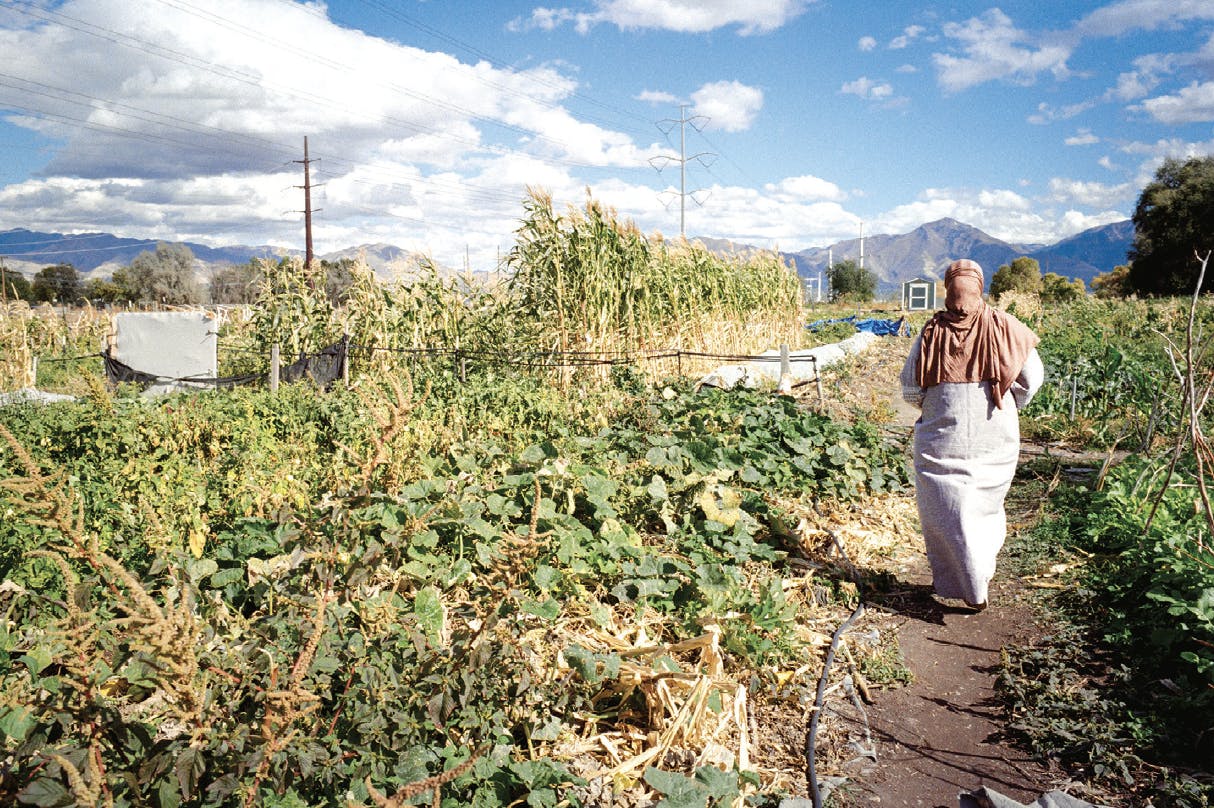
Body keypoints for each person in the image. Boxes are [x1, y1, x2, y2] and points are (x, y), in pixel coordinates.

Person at [899, 259, 1044, 611]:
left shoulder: (932, 331)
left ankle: (962, 580)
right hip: (995, 430)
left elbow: (910, 387)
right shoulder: (1007, 326)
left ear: (949, 288)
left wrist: (935, 406)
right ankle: (978, 579)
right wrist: (1007, 404)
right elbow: (1032, 379)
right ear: (980, 286)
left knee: (946, 508)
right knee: (983, 504)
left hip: (941, 433)